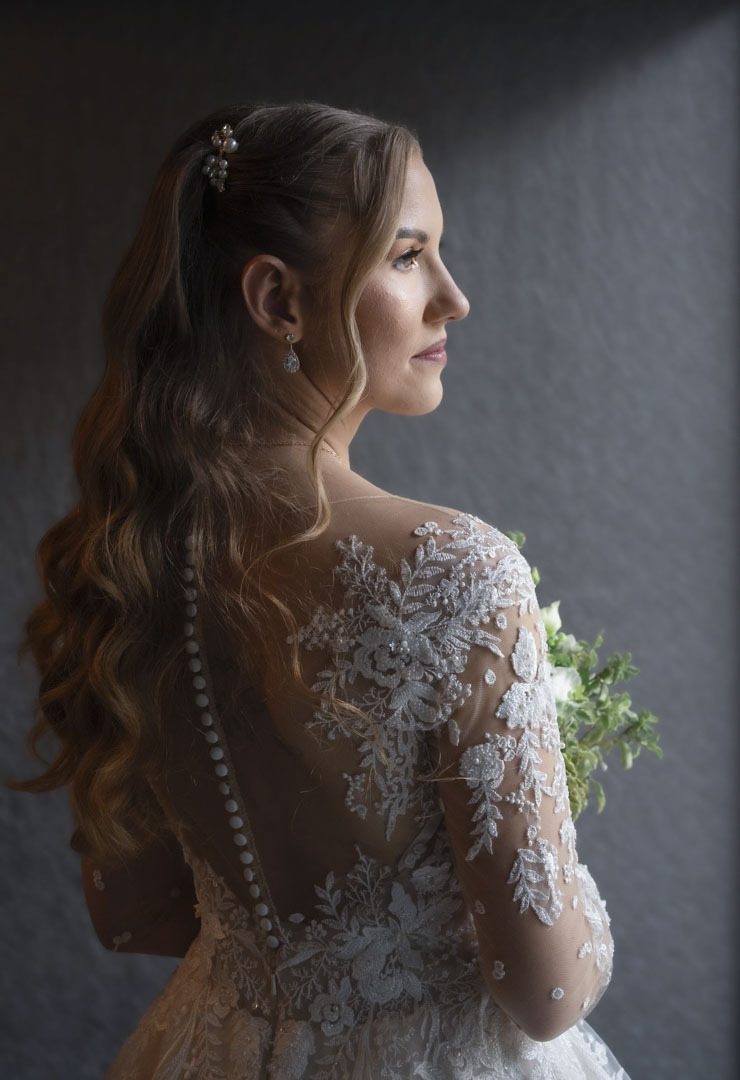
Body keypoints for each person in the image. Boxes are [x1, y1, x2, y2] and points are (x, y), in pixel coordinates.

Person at [10, 101, 630, 1078]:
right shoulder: (457, 571)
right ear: (277, 302)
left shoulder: (121, 560)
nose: (452, 298)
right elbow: (542, 989)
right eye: (406, 255)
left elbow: (134, 916)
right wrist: (578, 907)